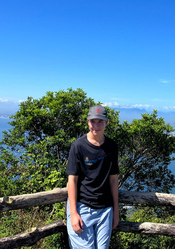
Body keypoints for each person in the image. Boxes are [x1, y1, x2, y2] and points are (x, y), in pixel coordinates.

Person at [66, 105, 119, 249]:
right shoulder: (78, 146)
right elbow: (72, 180)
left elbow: (113, 180)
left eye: (100, 122)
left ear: (106, 123)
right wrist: (73, 213)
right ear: (88, 122)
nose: (96, 126)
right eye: (93, 121)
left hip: (105, 209)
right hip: (82, 207)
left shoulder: (112, 146)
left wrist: (115, 210)